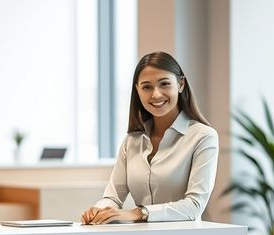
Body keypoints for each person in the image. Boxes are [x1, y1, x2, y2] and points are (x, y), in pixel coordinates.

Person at [81, 51, 219, 224]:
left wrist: (139, 213)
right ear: (137, 90)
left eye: (164, 84)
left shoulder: (203, 137)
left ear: (181, 84)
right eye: (146, 87)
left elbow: (194, 205)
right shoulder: (132, 141)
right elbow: (113, 197)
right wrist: (99, 209)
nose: (156, 94)